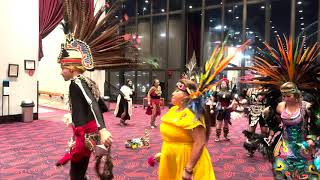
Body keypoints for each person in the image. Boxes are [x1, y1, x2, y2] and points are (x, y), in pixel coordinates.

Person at [56, 49, 113, 179]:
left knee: (77, 172)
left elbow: (92, 103)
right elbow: (96, 105)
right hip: (86, 131)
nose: (61, 73)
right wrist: (75, 116)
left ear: (71, 68)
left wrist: (102, 129)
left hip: (85, 134)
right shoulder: (84, 81)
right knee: (79, 169)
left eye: (62, 68)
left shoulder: (77, 82)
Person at [158, 79, 215, 180]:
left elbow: (200, 142)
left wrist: (188, 169)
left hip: (186, 161)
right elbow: (175, 137)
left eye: (177, 91)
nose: (172, 93)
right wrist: (165, 154)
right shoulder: (173, 110)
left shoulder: (192, 114)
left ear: (187, 95)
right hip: (172, 160)